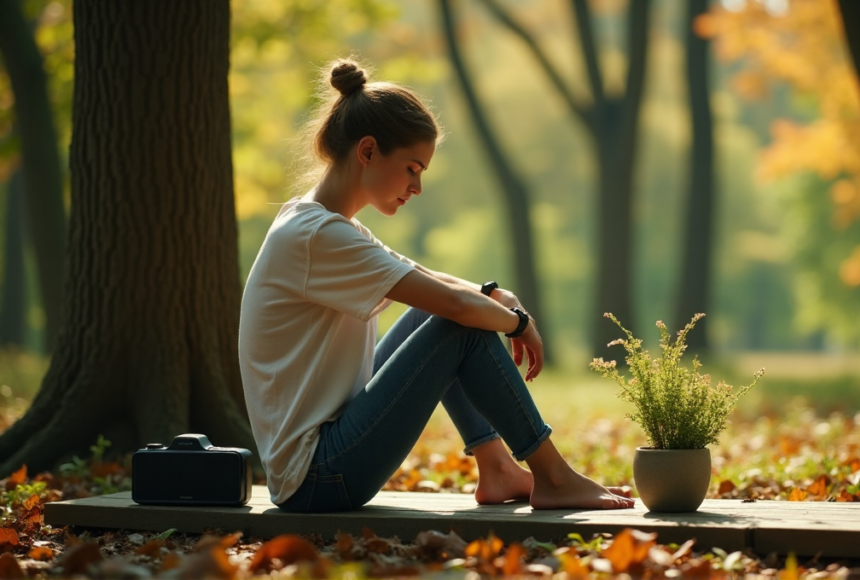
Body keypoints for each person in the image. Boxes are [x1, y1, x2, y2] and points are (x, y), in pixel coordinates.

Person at [238, 57, 633, 513]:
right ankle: (554, 477)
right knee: (458, 324)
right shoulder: (317, 236)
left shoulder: (319, 225)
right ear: (367, 151)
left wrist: (491, 295)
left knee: (442, 311)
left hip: (329, 452)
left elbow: (430, 283)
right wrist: (517, 322)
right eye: (412, 168)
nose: (417, 187)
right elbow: (455, 306)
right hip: (318, 477)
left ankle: (498, 469)